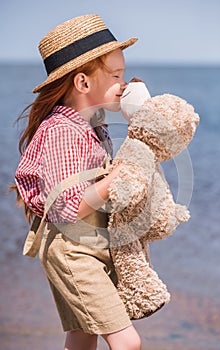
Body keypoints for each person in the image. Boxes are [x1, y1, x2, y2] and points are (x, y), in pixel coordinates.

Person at [13, 14, 142, 350]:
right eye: (115, 76)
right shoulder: (61, 132)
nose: (123, 84)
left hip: (93, 243)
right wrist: (115, 178)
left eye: (124, 75)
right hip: (71, 250)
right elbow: (66, 206)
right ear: (83, 83)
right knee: (127, 342)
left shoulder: (94, 127)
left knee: (82, 338)